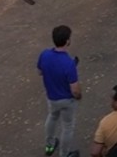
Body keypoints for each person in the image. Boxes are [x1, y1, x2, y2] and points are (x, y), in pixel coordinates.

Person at [38, 25, 81, 157]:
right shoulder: (69, 63)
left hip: (51, 97)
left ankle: (50, 145)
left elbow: (40, 71)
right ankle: (64, 153)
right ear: (67, 41)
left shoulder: (44, 55)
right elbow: (75, 89)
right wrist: (78, 96)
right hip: (67, 100)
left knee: (52, 117)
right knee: (67, 126)